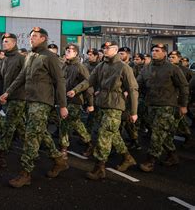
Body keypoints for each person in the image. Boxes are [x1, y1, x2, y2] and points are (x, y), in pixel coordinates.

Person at [0, 27, 69, 188]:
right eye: (31, 36)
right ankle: (59, 160)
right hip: (29, 100)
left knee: (31, 135)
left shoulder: (50, 57)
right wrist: (8, 93)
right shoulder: (30, 55)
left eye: (36, 36)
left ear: (44, 39)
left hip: (42, 101)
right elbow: (21, 76)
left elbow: (60, 82)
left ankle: (26, 173)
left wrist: (63, 105)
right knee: (41, 133)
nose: (32, 38)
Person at [85, 41, 138, 180]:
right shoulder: (101, 65)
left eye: (108, 48)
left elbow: (133, 90)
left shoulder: (124, 67)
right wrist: (74, 90)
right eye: (104, 48)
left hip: (115, 105)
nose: (105, 50)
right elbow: (89, 81)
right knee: (112, 134)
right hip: (102, 104)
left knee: (104, 135)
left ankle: (99, 167)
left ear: (115, 50)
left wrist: (134, 112)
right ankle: (127, 157)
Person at [137, 44, 189, 173]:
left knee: (157, 134)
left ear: (164, 53)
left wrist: (183, 105)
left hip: (167, 106)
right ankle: (172, 155)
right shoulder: (146, 69)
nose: (154, 53)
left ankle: (150, 160)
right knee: (161, 133)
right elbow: (138, 84)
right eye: (153, 50)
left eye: (157, 51)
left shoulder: (172, 69)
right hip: (151, 105)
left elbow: (184, 87)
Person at [0, 33, 26, 169]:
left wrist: (8, 92)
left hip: (18, 96)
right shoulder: (6, 59)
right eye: (3, 41)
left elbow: (22, 78)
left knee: (9, 125)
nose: (4, 43)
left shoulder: (20, 59)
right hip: (9, 96)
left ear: (14, 43)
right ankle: (33, 148)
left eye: (7, 42)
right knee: (20, 126)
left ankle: (2, 154)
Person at [59, 44, 93, 158]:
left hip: (75, 100)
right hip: (64, 100)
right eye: (67, 50)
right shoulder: (64, 66)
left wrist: (90, 103)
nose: (68, 52)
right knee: (65, 123)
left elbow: (88, 84)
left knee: (74, 123)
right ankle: (64, 148)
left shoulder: (80, 67)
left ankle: (88, 142)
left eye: (71, 51)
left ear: (76, 53)